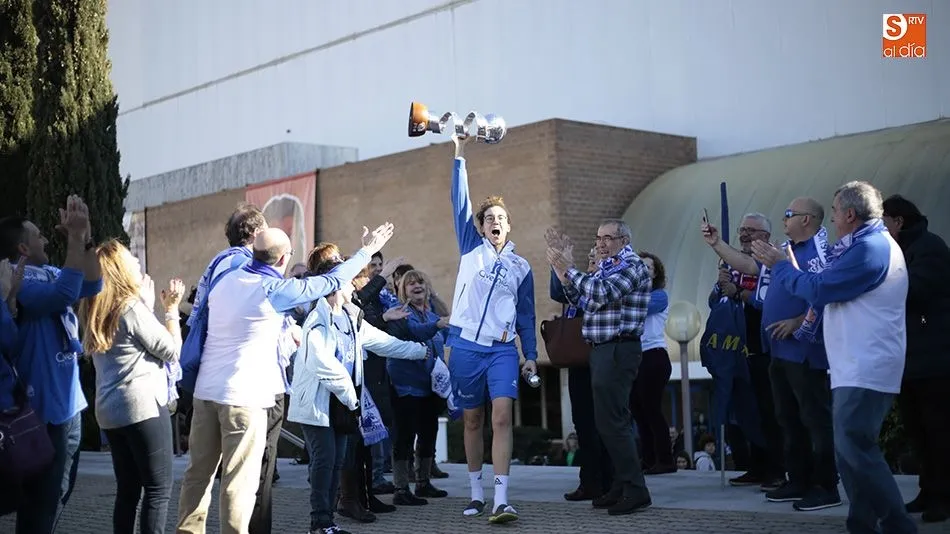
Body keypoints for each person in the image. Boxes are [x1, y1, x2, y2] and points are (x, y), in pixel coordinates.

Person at [176, 224, 394, 534]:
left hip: (205, 393)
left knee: (198, 476)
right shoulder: (274, 290)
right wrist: (367, 251)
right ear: (282, 261)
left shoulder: (225, 279)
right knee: (238, 484)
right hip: (243, 399)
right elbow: (333, 280)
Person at [752, 181, 917, 534]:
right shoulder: (862, 246)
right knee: (850, 452)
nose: (834, 222)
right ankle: (862, 524)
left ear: (850, 214)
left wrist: (782, 266)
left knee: (855, 448)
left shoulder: (871, 248)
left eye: (836, 212)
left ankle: (897, 525)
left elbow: (819, 288)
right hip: (853, 366)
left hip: (866, 366)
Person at [287, 257, 429, 534]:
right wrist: (352, 398)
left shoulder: (351, 316)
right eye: (348, 279)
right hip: (319, 405)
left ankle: (327, 521)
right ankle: (320, 522)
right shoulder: (317, 320)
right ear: (333, 284)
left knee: (337, 462)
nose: (354, 285)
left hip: (341, 404)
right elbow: (323, 364)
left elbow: (382, 342)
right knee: (324, 461)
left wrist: (418, 350)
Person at [447, 133, 538, 523]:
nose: (494, 222)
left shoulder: (522, 267)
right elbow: (460, 201)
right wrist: (460, 154)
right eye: (489, 219)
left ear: (509, 225)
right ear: (481, 228)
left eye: (500, 218)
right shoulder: (470, 246)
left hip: (502, 349)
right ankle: (476, 493)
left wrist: (530, 356)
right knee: (473, 420)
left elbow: (526, 317)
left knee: (501, 417)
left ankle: (502, 499)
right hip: (466, 347)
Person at [0, 196, 103, 534]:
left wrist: (85, 240)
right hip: (42, 410)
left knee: (59, 494)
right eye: (39, 235)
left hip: (70, 405)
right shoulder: (18, 280)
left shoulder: (52, 271)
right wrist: (73, 241)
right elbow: (61, 296)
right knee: (41, 503)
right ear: (23, 248)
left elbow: (91, 284)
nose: (46, 238)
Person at [547, 219, 653, 516]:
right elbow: (579, 297)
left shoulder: (631, 265)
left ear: (624, 239)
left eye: (608, 238)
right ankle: (620, 485)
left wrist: (569, 269)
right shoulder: (607, 267)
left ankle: (636, 489)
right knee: (606, 423)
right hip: (602, 349)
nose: (601, 243)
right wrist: (560, 271)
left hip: (619, 348)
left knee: (615, 423)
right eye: (598, 238)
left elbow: (604, 292)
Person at [78, 240, 184, 534]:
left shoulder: (94, 307)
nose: (138, 262)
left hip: (110, 411)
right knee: (158, 489)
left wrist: (146, 308)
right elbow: (171, 349)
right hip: (141, 407)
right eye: (131, 259)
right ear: (121, 269)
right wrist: (171, 311)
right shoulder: (129, 307)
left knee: (127, 491)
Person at [882, 194, 950, 522]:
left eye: (885, 224)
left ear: (899, 221)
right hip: (910, 359)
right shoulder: (902, 251)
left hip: (934, 360)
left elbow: (914, 290)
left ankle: (944, 497)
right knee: (918, 431)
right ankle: (928, 489)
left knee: (938, 431)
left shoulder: (928, 248)